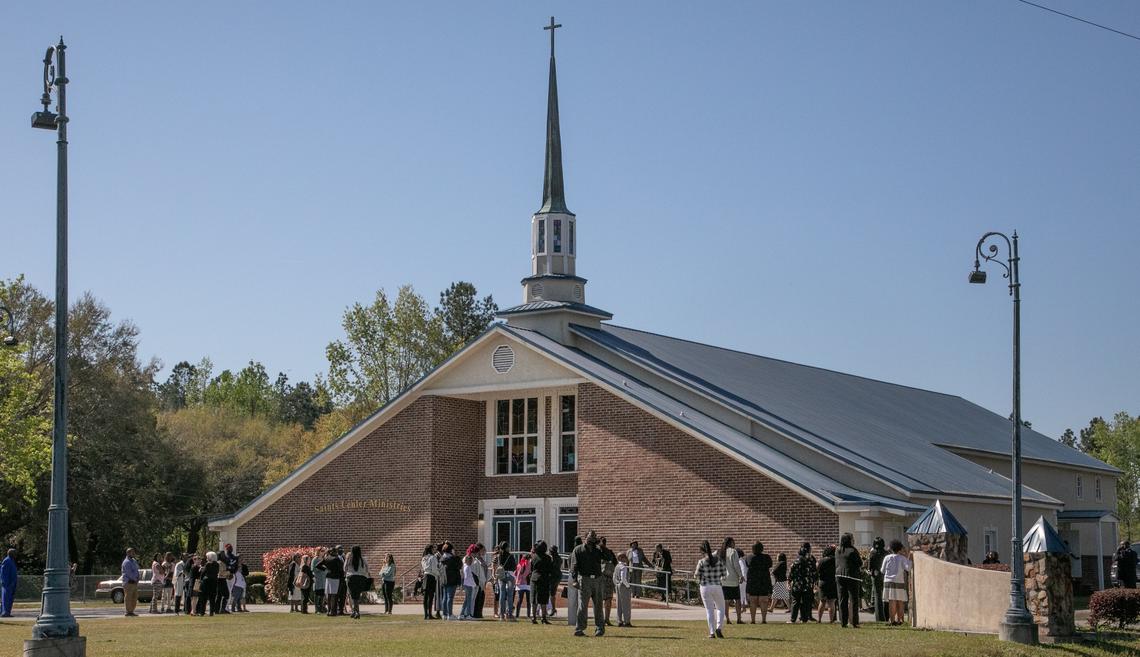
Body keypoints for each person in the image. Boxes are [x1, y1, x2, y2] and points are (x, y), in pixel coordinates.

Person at [570, 530, 605, 637]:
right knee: (583, 605)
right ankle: (579, 628)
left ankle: (599, 628)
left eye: (594, 538)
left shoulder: (598, 550)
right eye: (590, 537)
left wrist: (602, 546)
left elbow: (610, 558)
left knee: (598, 605)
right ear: (585, 538)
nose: (592, 540)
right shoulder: (578, 549)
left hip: (598, 579)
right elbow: (574, 566)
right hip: (584, 579)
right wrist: (575, 580)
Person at [695, 540, 726, 639]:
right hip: (717, 586)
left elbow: (696, 575)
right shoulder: (718, 560)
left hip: (705, 586)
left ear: (701, 551)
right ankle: (719, 628)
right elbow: (724, 574)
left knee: (709, 610)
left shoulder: (701, 562)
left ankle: (712, 632)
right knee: (721, 608)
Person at [836, 533, 863, 628]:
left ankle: (843, 622)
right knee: (854, 599)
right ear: (849, 540)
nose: (853, 540)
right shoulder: (853, 550)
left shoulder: (838, 550)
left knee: (842, 599)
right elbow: (859, 563)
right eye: (852, 539)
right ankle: (854, 622)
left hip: (839, 575)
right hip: (852, 576)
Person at [882, 540, 911, 625]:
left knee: (891, 601)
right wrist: (909, 558)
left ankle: (891, 620)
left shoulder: (887, 558)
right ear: (900, 549)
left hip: (888, 581)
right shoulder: (902, 558)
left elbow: (882, 570)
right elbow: (908, 568)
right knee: (900, 601)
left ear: (891, 548)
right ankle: (900, 620)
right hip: (899, 581)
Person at [789, 543, 817, 624]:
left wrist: (789, 580)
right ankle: (804, 619)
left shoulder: (797, 560)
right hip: (807, 584)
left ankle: (793, 619)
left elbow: (792, 571)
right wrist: (815, 581)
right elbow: (814, 571)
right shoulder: (811, 559)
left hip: (797, 584)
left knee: (795, 601)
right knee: (806, 602)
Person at [745, 541, 772, 624]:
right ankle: (764, 620)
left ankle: (753, 620)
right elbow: (770, 565)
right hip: (764, 580)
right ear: (762, 548)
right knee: (763, 601)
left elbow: (747, 564)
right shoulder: (767, 557)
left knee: (753, 601)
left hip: (752, 581)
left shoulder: (749, 557)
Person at [530, 540, 556, 625]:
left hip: (534, 578)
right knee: (543, 599)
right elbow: (551, 569)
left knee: (534, 598)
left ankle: (533, 617)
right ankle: (543, 618)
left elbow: (532, 568)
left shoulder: (533, 557)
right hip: (544, 579)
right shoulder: (548, 558)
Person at [719, 537, 744, 624]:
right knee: (737, 600)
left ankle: (727, 619)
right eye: (734, 542)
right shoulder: (733, 551)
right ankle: (739, 619)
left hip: (724, 580)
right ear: (731, 543)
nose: (735, 544)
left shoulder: (721, 552)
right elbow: (736, 565)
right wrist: (741, 576)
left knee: (726, 601)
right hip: (733, 580)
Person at [317, 545, 344, 617]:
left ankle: (329, 611)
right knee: (334, 595)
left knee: (328, 595)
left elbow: (318, 565)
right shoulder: (337, 559)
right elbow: (341, 569)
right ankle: (333, 611)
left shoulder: (326, 558)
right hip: (336, 578)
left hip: (328, 577)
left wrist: (325, 569)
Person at [345, 546, 371, 619]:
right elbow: (367, 569)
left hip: (351, 577)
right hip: (361, 578)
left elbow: (345, 568)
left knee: (352, 595)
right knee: (357, 595)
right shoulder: (363, 559)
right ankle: (355, 611)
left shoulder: (349, 559)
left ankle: (356, 612)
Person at [494, 542, 517, 621]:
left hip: (501, 575)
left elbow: (496, 564)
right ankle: (509, 614)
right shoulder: (510, 556)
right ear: (506, 547)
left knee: (502, 595)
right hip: (509, 575)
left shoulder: (499, 556)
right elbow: (514, 567)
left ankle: (501, 615)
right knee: (510, 595)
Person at [439, 542, 461, 620]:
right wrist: (456, 555)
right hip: (452, 579)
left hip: (444, 579)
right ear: (451, 550)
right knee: (450, 597)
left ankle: (444, 614)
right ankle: (450, 614)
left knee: (445, 597)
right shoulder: (453, 558)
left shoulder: (442, 559)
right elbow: (459, 565)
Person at [598, 537, 617, 626]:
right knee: (604, 600)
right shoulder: (597, 552)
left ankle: (606, 619)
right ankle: (604, 619)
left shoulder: (609, 552)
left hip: (607, 579)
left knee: (607, 599)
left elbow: (615, 563)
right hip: (602, 578)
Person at [868, 537, 888, 622]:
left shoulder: (872, 553)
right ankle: (886, 616)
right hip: (884, 575)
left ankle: (879, 617)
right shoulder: (886, 553)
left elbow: (870, 566)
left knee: (877, 596)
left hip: (875, 575)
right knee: (885, 596)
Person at [816, 545, 837, 623]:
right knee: (831, 602)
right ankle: (831, 620)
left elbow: (816, 570)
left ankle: (819, 619)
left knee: (822, 601)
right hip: (833, 581)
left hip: (823, 582)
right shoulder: (836, 560)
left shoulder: (821, 561)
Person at [613, 553, 632, 627]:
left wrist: (616, 584)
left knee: (619, 604)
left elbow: (614, 578)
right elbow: (623, 578)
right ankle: (627, 621)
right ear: (620, 558)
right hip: (623, 586)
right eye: (624, 557)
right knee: (626, 604)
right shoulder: (623, 567)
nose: (626, 558)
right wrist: (628, 586)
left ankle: (619, 620)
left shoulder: (616, 566)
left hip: (617, 585)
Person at [199, 551, 220, 616]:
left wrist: (200, 578)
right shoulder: (217, 564)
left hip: (206, 582)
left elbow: (203, 573)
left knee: (204, 597)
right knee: (212, 598)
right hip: (214, 581)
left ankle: (202, 612)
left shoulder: (207, 564)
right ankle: (211, 612)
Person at [420, 544, 439, 620]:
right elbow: (434, 569)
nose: (434, 550)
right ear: (431, 549)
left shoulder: (424, 558)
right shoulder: (433, 557)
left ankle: (425, 614)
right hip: (431, 577)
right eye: (433, 548)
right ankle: (429, 614)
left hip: (425, 576)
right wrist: (438, 574)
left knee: (425, 597)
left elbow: (423, 568)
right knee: (430, 597)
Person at [122, 548, 141, 617]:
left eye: (134, 552)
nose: (133, 554)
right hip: (129, 582)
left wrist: (138, 577)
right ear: (128, 553)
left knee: (135, 597)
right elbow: (129, 573)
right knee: (128, 597)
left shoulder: (134, 561)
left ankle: (132, 611)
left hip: (134, 582)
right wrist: (135, 579)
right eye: (132, 552)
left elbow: (136, 570)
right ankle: (128, 611)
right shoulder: (126, 562)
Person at [460, 555, 478, 620]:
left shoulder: (466, 567)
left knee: (466, 600)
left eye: (471, 560)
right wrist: (474, 584)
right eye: (469, 560)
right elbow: (467, 578)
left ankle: (462, 614)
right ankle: (468, 614)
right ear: (466, 560)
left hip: (467, 585)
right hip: (468, 585)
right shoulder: (467, 567)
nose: (471, 561)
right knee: (469, 600)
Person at [1, 549, 17, 618]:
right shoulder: (7, 561)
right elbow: (3, 573)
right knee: (6, 598)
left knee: (10, 599)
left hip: (12, 584)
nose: (15, 554)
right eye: (14, 553)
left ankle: (7, 612)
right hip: (7, 584)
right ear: (10, 553)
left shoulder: (12, 561)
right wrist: (6, 583)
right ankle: (4, 612)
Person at [312, 547, 328, 614]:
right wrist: (322, 569)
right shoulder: (315, 559)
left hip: (324, 579)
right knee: (317, 594)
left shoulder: (324, 559)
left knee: (322, 594)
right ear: (318, 551)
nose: (323, 552)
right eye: (322, 551)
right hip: (318, 578)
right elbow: (313, 569)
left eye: (324, 551)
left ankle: (321, 607)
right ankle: (317, 609)